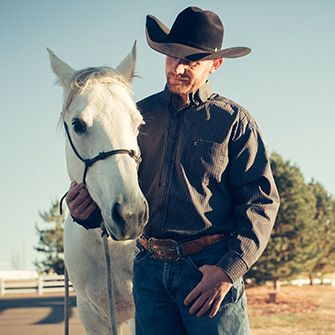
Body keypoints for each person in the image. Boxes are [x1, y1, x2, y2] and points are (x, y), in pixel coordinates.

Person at [66, 6, 280, 335]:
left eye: (191, 61)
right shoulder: (137, 116)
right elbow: (122, 186)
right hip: (149, 272)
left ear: (215, 64)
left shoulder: (234, 122)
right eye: (172, 56)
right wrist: (90, 214)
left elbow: (261, 200)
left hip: (207, 270)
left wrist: (227, 271)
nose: (178, 68)